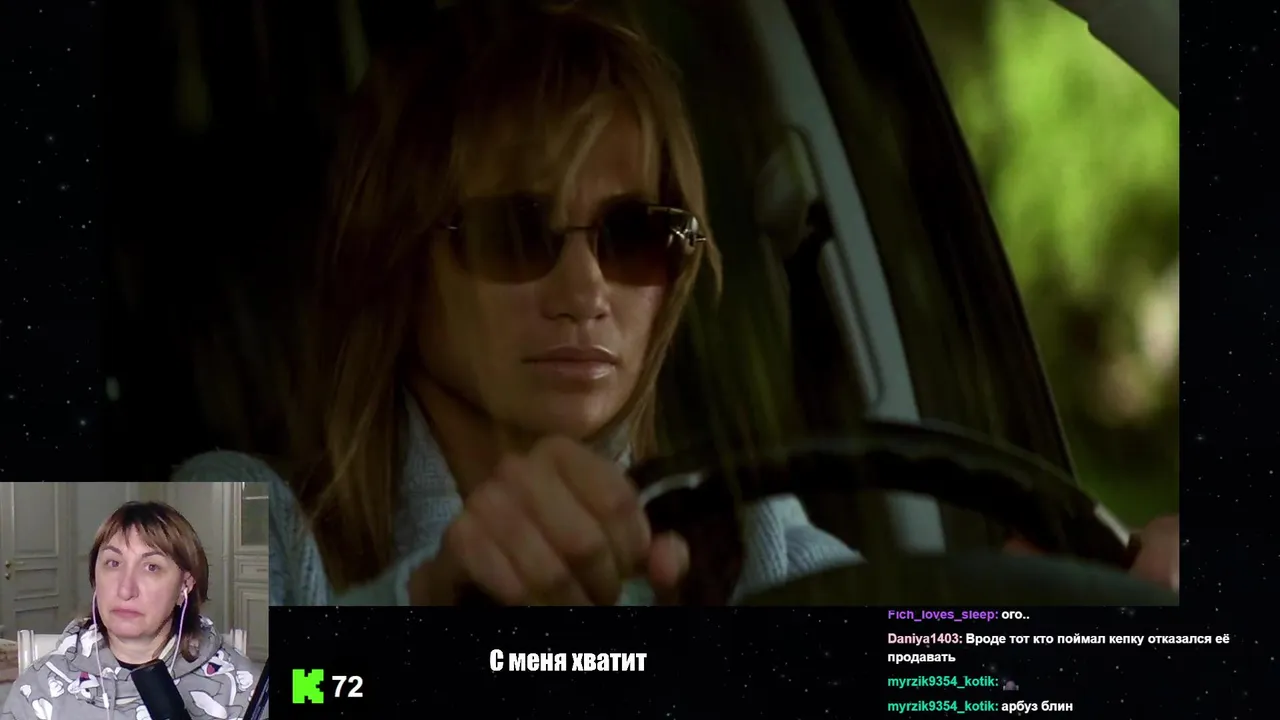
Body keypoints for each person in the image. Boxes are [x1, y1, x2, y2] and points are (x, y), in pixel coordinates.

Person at [175, 0, 1179, 606]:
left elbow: (904, 677)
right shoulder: (236, 509)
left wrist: (1042, 618)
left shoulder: (742, 541)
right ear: (397, 260)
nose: (586, 290)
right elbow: (98, 700)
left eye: (637, 237)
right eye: (515, 234)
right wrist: (430, 606)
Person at [1, 502, 260, 720]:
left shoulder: (239, 687)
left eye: (152, 567)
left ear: (185, 585)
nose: (125, 590)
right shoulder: (40, 686)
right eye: (113, 563)